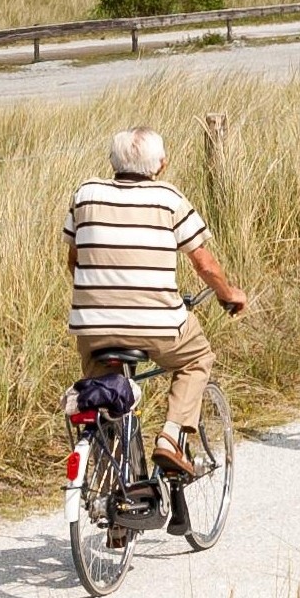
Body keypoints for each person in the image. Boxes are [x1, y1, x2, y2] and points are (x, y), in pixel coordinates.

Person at [67, 127, 250, 484]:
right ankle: (169, 437)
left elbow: (73, 261)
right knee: (197, 358)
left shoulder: (85, 194)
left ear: (112, 162)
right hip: (158, 326)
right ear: (161, 164)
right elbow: (204, 264)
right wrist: (229, 294)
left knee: (104, 397)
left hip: (92, 326)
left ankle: (111, 504)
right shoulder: (168, 198)